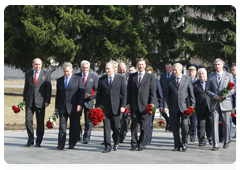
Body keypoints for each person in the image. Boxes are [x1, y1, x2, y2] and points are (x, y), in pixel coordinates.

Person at [96, 62, 127, 153]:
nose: (107, 70)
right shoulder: (102, 79)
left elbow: (124, 94)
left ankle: (116, 141)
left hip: (117, 108)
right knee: (106, 127)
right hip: (105, 108)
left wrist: (123, 106)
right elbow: (99, 95)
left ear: (114, 69)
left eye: (108, 69)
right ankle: (107, 146)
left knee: (117, 127)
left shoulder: (121, 78)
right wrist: (98, 107)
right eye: (106, 69)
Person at [163, 63, 195, 152]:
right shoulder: (169, 80)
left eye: (175, 70)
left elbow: (191, 94)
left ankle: (184, 143)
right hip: (173, 107)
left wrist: (192, 106)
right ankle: (177, 145)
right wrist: (165, 106)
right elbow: (166, 95)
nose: (174, 72)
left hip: (185, 108)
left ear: (181, 70)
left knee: (185, 125)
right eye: (173, 70)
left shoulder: (187, 79)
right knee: (175, 127)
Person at [206, 58, 235, 151]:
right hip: (215, 104)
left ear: (222, 65)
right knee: (214, 123)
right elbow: (207, 90)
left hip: (225, 103)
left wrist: (225, 95)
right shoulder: (211, 76)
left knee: (226, 124)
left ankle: (226, 141)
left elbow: (233, 89)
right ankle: (215, 144)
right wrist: (213, 95)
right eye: (215, 65)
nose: (217, 66)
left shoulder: (229, 76)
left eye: (218, 64)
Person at [127, 58, 156, 151]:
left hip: (145, 106)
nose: (141, 66)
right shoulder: (132, 76)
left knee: (144, 127)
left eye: (142, 64)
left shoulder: (150, 77)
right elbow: (129, 91)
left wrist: (151, 103)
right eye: (139, 64)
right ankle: (134, 144)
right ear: (136, 65)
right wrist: (127, 103)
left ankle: (141, 144)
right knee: (133, 126)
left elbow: (152, 91)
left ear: (145, 65)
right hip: (134, 105)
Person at [55, 62, 85, 150]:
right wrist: (57, 107)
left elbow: (81, 93)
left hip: (74, 107)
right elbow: (58, 95)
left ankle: (72, 143)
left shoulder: (78, 79)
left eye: (68, 71)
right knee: (62, 126)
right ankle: (61, 144)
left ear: (71, 70)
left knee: (74, 126)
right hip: (63, 107)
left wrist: (80, 104)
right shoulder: (59, 80)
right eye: (64, 71)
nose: (66, 73)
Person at [23, 58, 52, 147]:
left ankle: (39, 140)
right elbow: (26, 87)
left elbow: (48, 89)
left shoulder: (46, 74)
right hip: (29, 101)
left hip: (41, 102)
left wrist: (47, 101)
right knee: (28, 121)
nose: (37, 66)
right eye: (36, 64)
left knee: (40, 122)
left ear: (41, 65)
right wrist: (24, 99)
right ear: (32, 65)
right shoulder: (28, 74)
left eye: (39, 64)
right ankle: (30, 138)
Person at [75, 60, 98, 144]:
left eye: (86, 67)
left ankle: (86, 137)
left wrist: (90, 95)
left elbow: (96, 90)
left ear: (89, 68)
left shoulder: (94, 77)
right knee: (77, 119)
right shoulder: (76, 76)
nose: (85, 69)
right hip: (78, 102)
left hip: (89, 102)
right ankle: (78, 134)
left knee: (88, 121)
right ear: (81, 67)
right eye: (83, 67)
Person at [193, 68, 212, 146]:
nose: (201, 75)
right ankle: (201, 140)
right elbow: (193, 96)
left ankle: (210, 138)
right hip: (200, 107)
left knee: (210, 123)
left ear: (206, 74)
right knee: (201, 124)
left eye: (203, 73)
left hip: (210, 106)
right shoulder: (195, 84)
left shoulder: (210, 82)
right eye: (199, 74)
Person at [145, 66, 163, 145]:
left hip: (152, 105)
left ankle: (148, 139)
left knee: (149, 122)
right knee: (144, 122)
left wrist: (161, 104)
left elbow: (160, 93)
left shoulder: (156, 81)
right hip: (143, 104)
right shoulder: (143, 80)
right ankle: (144, 138)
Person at [186, 62, 199, 142]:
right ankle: (186, 133)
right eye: (190, 71)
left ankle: (193, 135)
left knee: (194, 121)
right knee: (186, 120)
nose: (191, 72)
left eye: (193, 71)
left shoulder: (197, 81)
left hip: (195, 104)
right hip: (187, 104)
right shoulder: (185, 80)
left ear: (196, 72)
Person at [160, 62, 174, 132]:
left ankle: (170, 126)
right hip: (163, 96)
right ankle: (168, 121)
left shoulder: (174, 75)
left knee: (171, 111)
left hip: (171, 96)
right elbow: (160, 86)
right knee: (162, 111)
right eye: (167, 67)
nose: (168, 69)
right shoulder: (163, 75)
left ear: (172, 68)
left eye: (169, 67)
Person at [118, 62, 130, 143]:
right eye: (121, 70)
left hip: (127, 101)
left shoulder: (130, 76)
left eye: (124, 70)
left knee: (126, 119)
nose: (122, 72)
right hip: (118, 101)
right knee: (119, 119)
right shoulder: (117, 76)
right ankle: (120, 136)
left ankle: (124, 132)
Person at [231, 65, 238, 138]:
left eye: (234, 70)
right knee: (233, 117)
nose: (232, 71)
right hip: (233, 101)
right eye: (232, 70)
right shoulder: (231, 78)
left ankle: (237, 132)